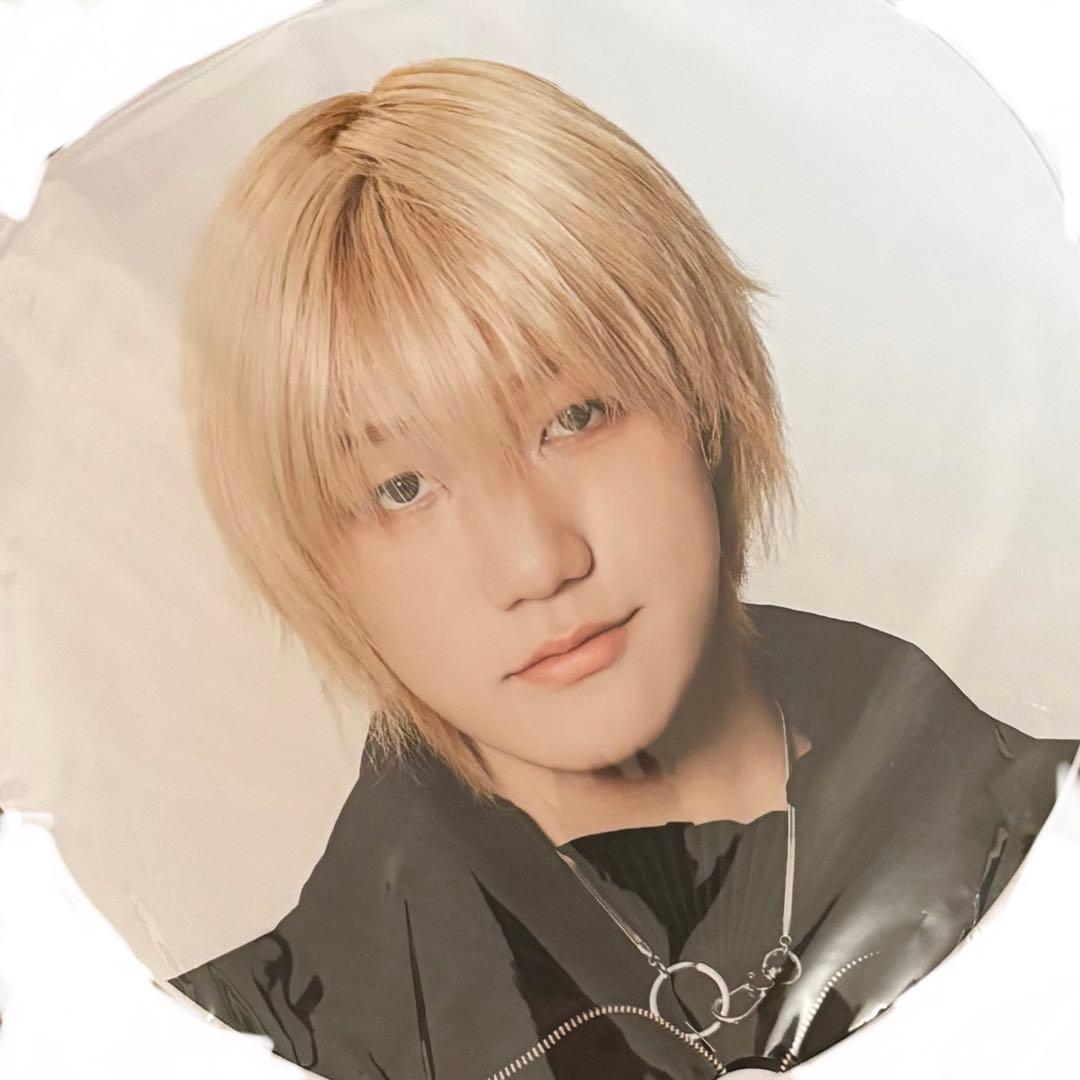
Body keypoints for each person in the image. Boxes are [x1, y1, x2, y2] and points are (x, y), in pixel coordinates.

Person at [166, 57, 1077, 1078]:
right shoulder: (208, 1048)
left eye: (576, 416)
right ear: (309, 551)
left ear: (704, 392)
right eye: (402, 487)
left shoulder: (1041, 843)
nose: (536, 562)